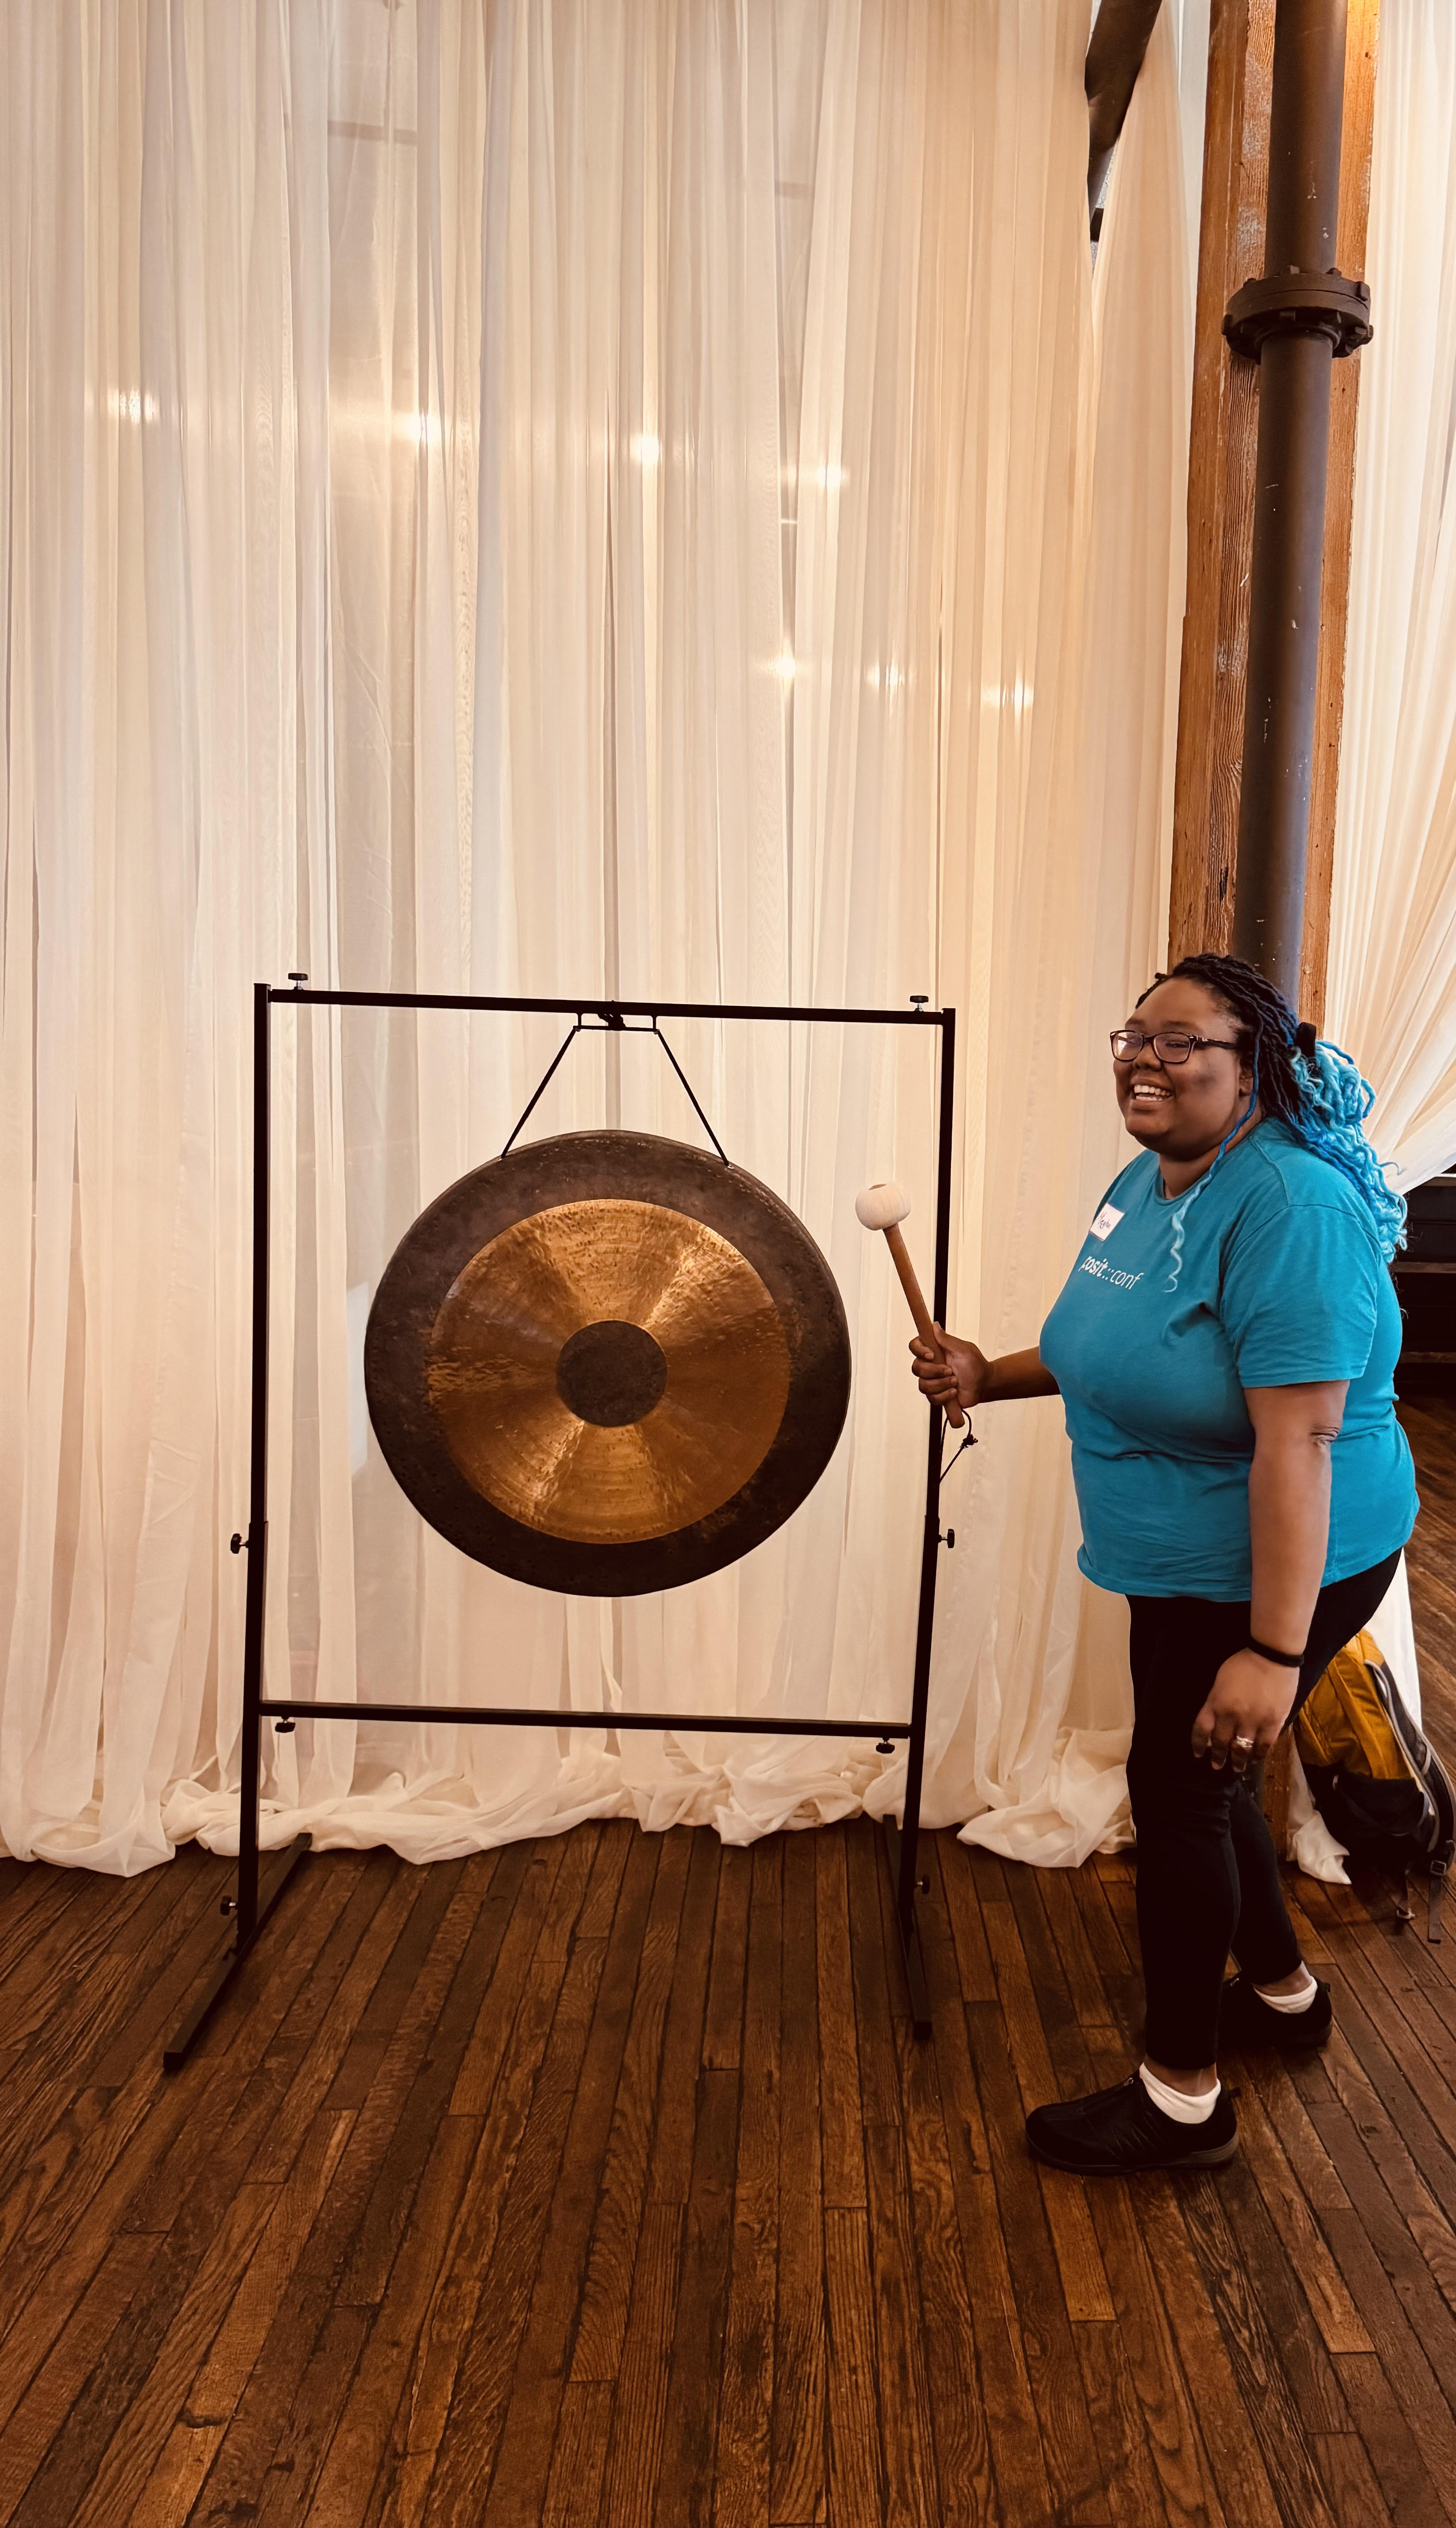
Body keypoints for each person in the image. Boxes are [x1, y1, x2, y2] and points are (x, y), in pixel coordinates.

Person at [912, 952, 1417, 2176]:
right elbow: (1117, 1343)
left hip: (1269, 1559)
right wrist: (993, 1372)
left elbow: (1297, 1437)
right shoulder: (1151, 1179)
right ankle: (1285, 1996)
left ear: (1256, 1071)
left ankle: (1184, 2096)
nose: (1145, 1056)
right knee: (1212, 1780)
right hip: (1184, 1551)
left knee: (1185, 1789)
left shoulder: (1290, 1207)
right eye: (1134, 1035)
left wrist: (1274, 1651)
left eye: (1183, 1040)